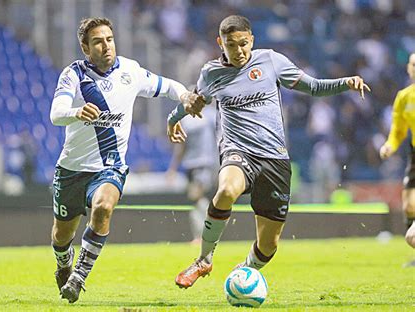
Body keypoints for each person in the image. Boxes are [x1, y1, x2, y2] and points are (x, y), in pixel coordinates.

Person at [167, 15, 370, 289]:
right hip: (237, 152)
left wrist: (345, 82)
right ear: (220, 43)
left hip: (274, 158)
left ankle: (246, 271)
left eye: (243, 44)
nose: (238, 51)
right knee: (226, 190)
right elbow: (192, 101)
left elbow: (312, 86)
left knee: (268, 245)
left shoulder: (271, 61)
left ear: (251, 40)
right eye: (230, 45)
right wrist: (173, 119)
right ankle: (204, 259)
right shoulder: (211, 73)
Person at [49, 17, 201, 303]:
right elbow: (56, 113)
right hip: (71, 169)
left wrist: (184, 96)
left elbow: (166, 85)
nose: (106, 46)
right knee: (60, 235)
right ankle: (63, 263)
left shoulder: (130, 70)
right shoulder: (74, 75)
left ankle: (79, 276)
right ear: (85, 47)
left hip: (110, 167)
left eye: (109, 39)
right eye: (98, 41)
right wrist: (76, 112)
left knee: (104, 207)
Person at [379, 53, 415, 259]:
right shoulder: (404, 97)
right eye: (413, 65)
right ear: (409, 69)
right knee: (409, 204)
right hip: (414, 152)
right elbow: (398, 130)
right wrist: (389, 146)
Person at [166, 106, 218, 244]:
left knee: (197, 196)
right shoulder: (186, 119)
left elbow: (221, 138)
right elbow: (181, 145)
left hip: (205, 163)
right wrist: (173, 168)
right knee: (197, 199)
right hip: (189, 164)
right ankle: (203, 236)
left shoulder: (211, 115)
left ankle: (204, 236)